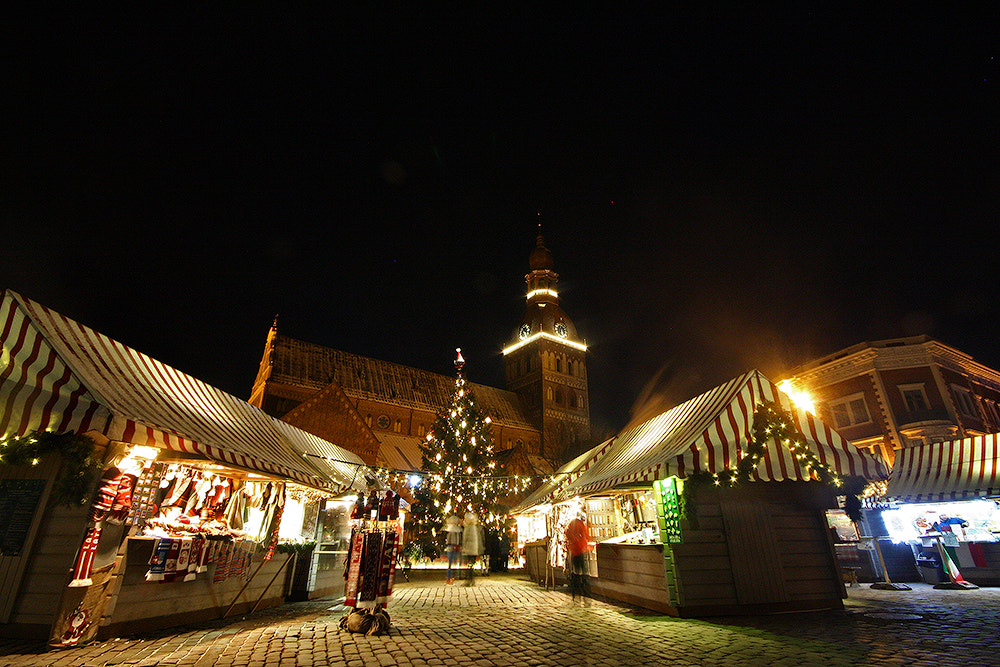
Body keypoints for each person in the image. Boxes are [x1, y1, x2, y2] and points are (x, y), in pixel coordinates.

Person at [565, 513, 592, 600]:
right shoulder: (580, 524)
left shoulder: (571, 524)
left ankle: (575, 589)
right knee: (583, 570)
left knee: (575, 570)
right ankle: (584, 589)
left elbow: (567, 535)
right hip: (580, 550)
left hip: (573, 551)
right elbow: (585, 534)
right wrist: (587, 543)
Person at [461, 511, 484, 586]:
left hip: (470, 549)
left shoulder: (469, 527)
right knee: (470, 565)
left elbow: (467, 538)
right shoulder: (472, 526)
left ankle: (470, 580)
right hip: (472, 549)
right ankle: (470, 580)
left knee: (470, 565)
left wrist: (464, 547)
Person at [444, 513, 462, 585]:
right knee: (451, 564)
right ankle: (449, 578)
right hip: (452, 547)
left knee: (454, 563)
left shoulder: (457, 530)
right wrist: (452, 545)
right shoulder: (451, 530)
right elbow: (449, 540)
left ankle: (452, 578)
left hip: (456, 547)